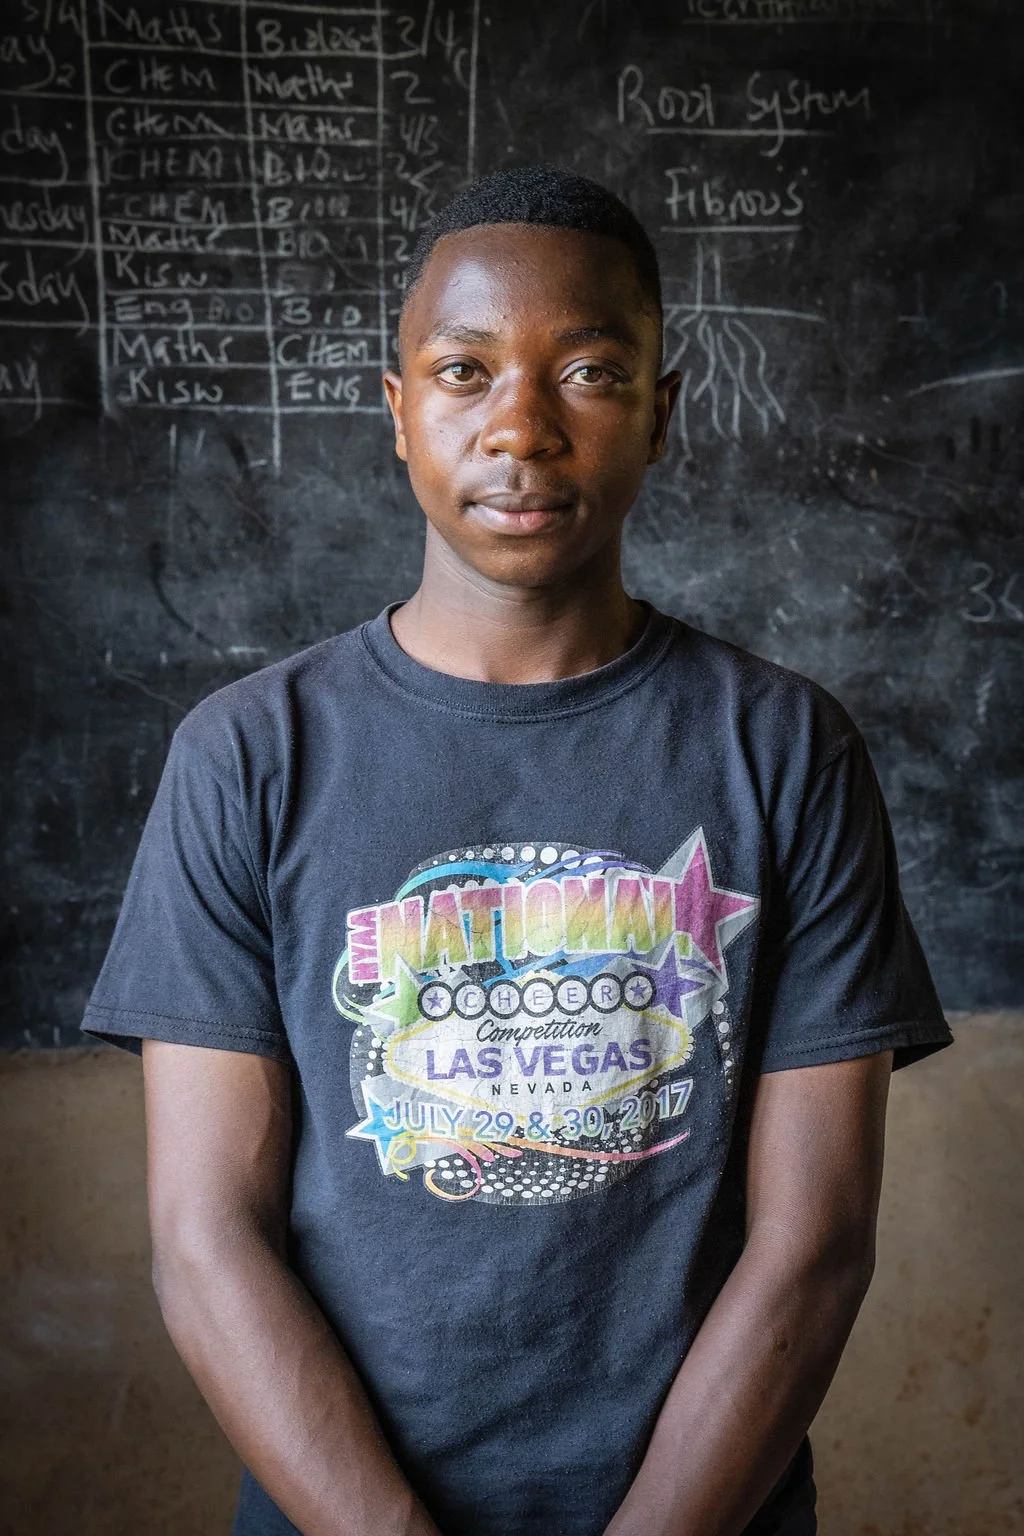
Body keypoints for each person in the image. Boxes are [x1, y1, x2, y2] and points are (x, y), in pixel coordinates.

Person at [82, 163, 952, 1536]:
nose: (523, 428)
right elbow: (207, 1242)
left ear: (664, 414)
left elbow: (813, 1245)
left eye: (592, 371)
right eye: (465, 369)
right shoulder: (248, 755)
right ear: (399, 413)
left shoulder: (785, 750)